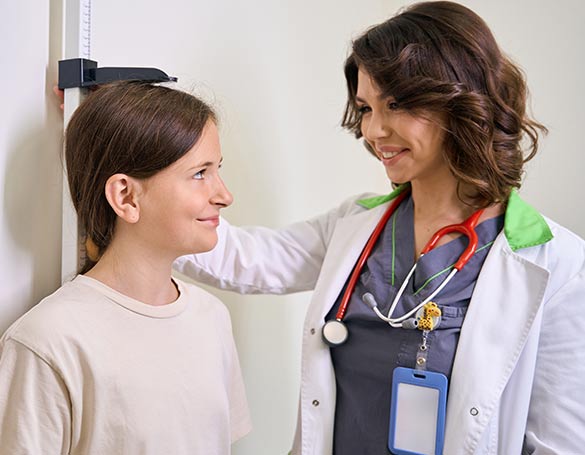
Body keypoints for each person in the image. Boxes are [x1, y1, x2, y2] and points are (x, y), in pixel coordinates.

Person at [174, 2, 585, 454]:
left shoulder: (557, 264)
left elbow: (558, 443)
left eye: (396, 104)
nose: (374, 129)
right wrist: (152, 202)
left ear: (460, 101)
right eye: (366, 107)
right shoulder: (358, 224)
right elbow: (248, 260)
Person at [0, 82, 251, 454]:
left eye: (217, 170)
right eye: (200, 173)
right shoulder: (48, 342)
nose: (224, 195)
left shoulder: (211, 318)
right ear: (125, 196)